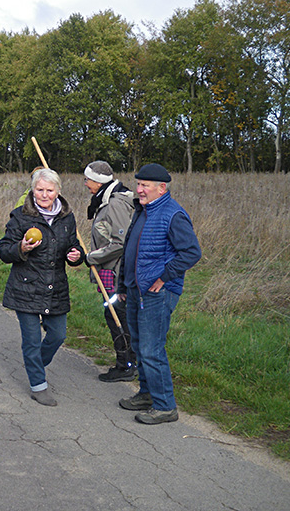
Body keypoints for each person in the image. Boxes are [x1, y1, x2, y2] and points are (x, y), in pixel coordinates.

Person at [117, 163, 201, 425]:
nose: (138, 190)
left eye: (144, 186)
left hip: (157, 293)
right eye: (138, 184)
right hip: (135, 290)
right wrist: (123, 284)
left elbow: (191, 252)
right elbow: (130, 248)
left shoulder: (173, 214)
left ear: (161, 188)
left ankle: (165, 406)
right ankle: (146, 394)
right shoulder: (142, 211)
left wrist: (164, 276)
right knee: (141, 346)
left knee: (152, 349)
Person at [0, 168, 84, 407]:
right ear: (32, 190)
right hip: (25, 287)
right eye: (39, 189)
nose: (44, 195)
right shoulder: (20, 216)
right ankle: (38, 385)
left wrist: (76, 255)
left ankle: (34, 363)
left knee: (58, 335)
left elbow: (73, 247)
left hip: (55, 288)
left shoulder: (67, 218)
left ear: (58, 191)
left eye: (49, 190)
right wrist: (21, 249)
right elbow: (3, 250)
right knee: (32, 340)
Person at [83, 161, 137, 382]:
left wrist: (91, 257)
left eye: (87, 179)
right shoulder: (106, 200)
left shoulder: (115, 204)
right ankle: (129, 363)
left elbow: (120, 243)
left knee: (117, 315)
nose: (85, 184)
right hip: (113, 270)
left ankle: (126, 366)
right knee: (116, 313)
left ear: (98, 182)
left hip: (118, 272)